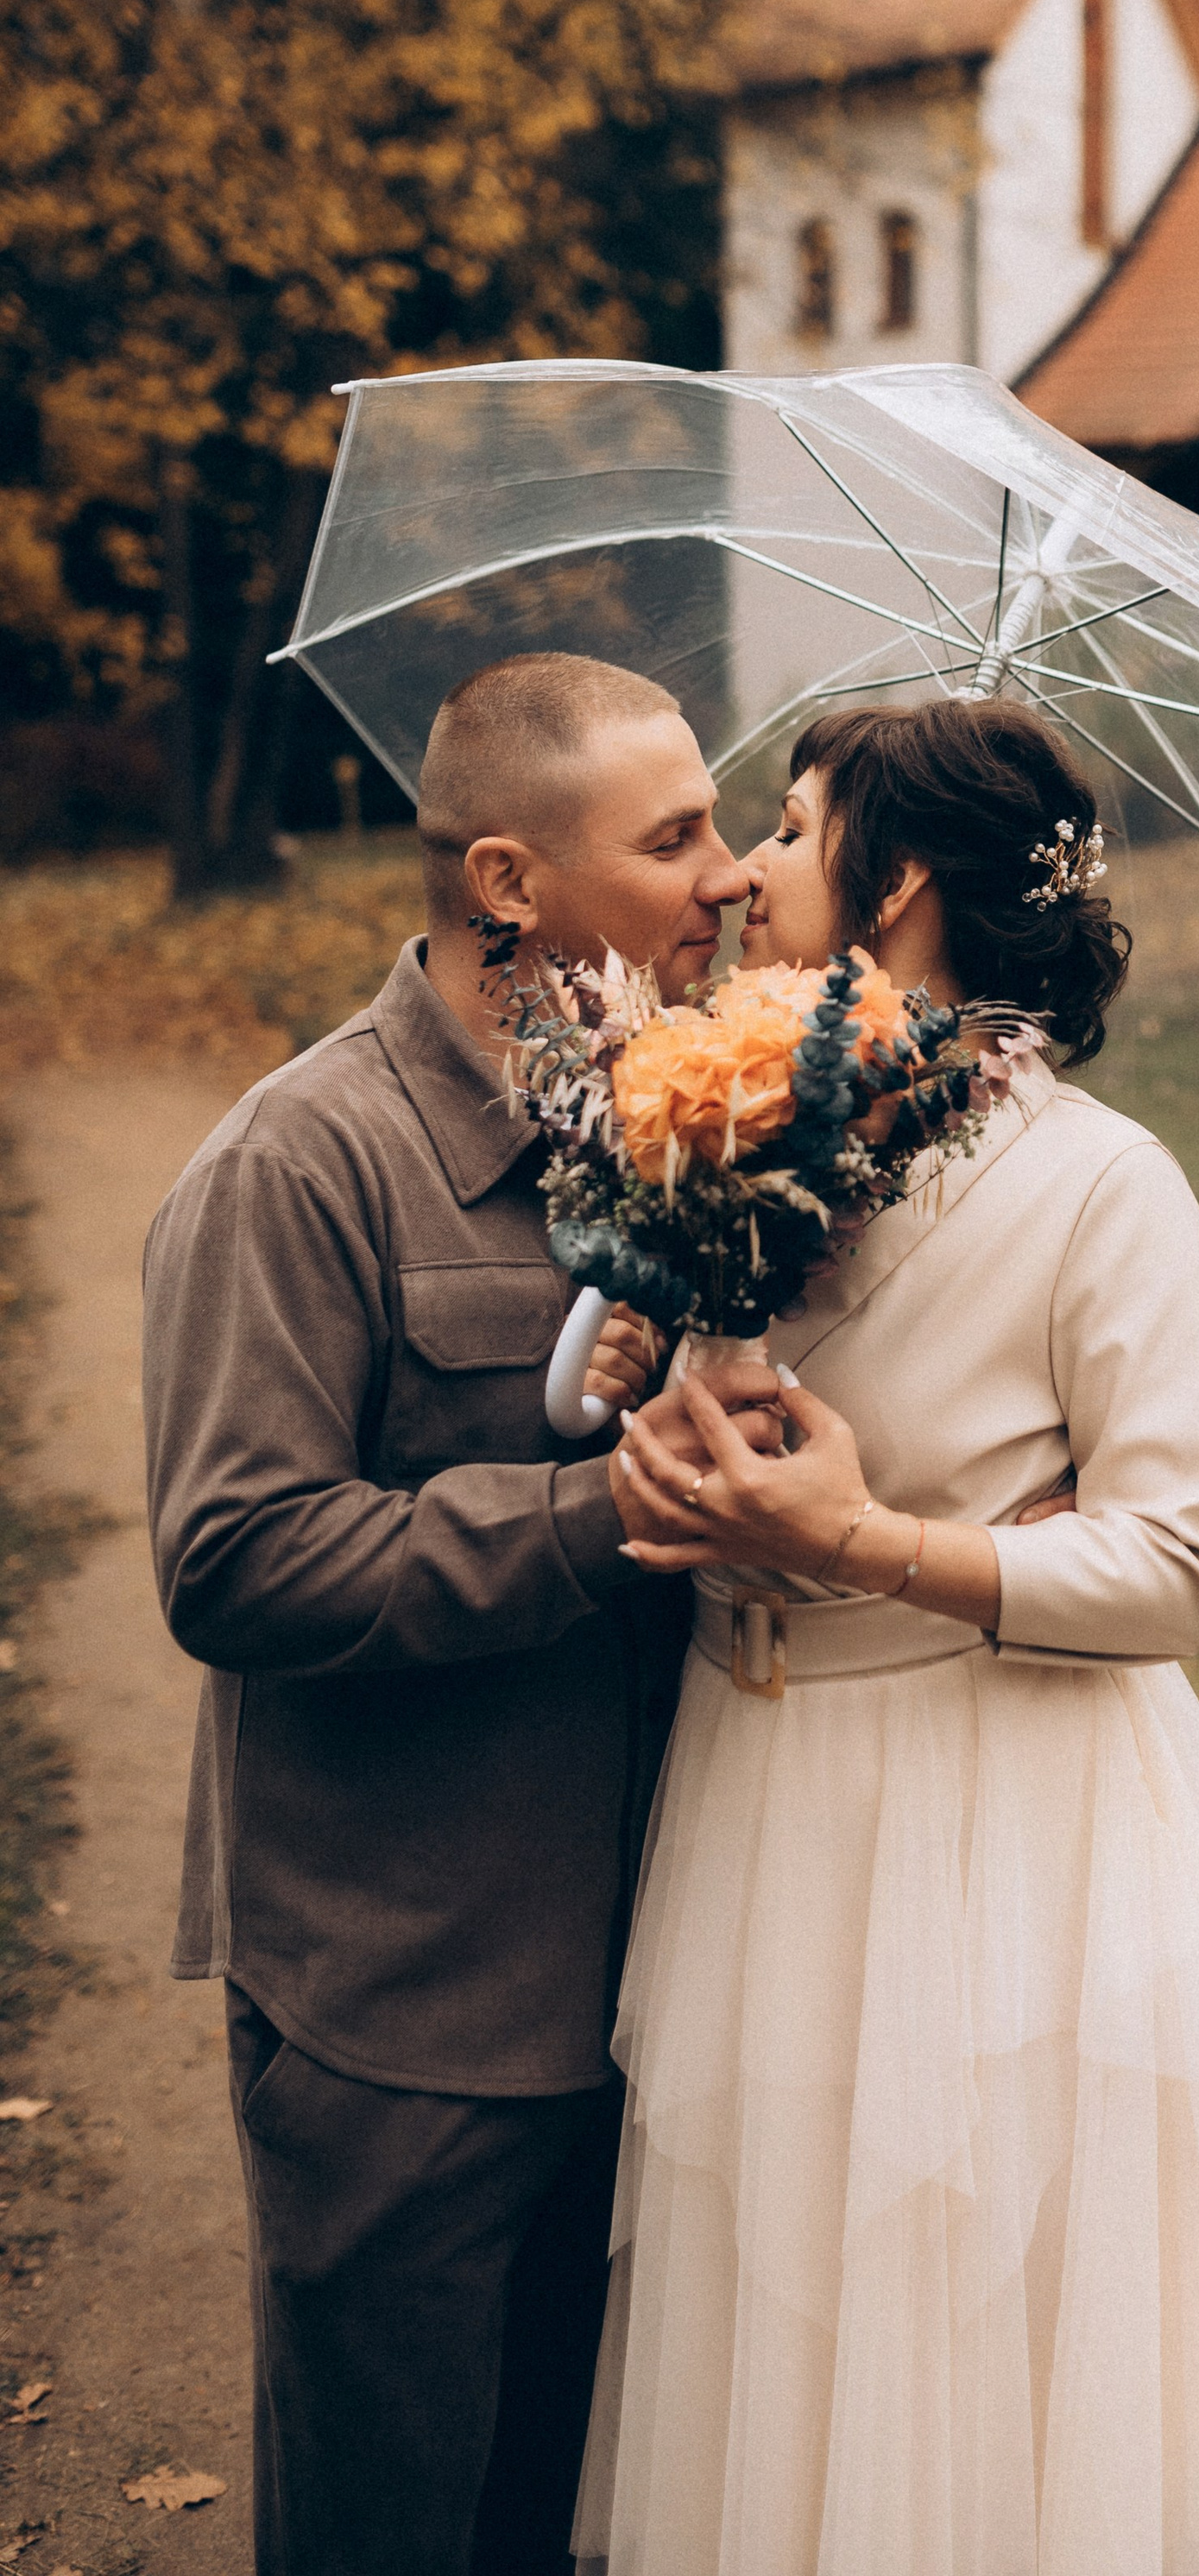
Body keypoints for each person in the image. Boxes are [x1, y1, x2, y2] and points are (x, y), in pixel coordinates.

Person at [573, 698, 1199, 2576]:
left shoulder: (1103, 1188)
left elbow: (1178, 1567)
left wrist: (869, 1543)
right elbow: (686, 1403)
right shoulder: (746, 1129)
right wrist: (643, 1394)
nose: (746, 869)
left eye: (791, 823)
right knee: (786, 2328)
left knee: (971, 2343)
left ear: (898, 877)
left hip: (989, 1823)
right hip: (758, 1795)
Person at [142, 650, 781, 2576]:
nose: (728, 874)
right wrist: (597, 1516)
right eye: (673, 838)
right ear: (508, 880)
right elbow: (235, 1556)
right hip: (402, 2007)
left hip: (651, 1989)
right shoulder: (298, 1163)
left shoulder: (670, 1136)